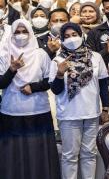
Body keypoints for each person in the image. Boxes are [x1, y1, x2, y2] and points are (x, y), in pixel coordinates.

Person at [49, 22, 109, 179]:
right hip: (69, 115)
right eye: (67, 36)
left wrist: (105, 109)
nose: (71, 39)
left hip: (91, 114)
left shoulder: (96, 57)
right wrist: (59, 74)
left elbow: (103, 85)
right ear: (62, 40)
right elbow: (55, 90)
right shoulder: (57, 60)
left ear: (81, 35)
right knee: (70, 156)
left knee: (89, 154)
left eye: (74, 35)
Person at [0, 19, 60, 179]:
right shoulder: (4, 54)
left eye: (24, 32)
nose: (21, 36)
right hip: (11, 110)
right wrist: (12, 69)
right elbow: (1, 83)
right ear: (11, 34)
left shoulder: (41, 54)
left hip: (38, 110)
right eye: (17, 32)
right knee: (13, 154)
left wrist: (32, 87)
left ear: (31, 33)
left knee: (38, 152)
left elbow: (50, 81)